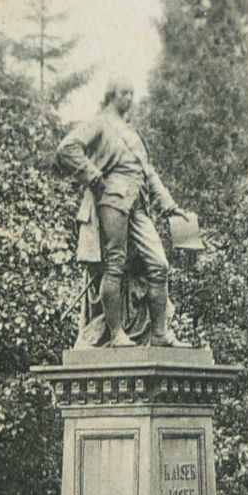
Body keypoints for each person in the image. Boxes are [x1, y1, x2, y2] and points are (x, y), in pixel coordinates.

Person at [56, 78, 192, 348]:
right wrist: (93, 176)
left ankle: (160, 334)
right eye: (124, 93)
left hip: (138, 204)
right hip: (112, 199)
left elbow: (148, 172)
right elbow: (67, 148)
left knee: (159, 265)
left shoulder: (132, 133)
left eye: (132, 92)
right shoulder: (99, 123)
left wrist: (168, 204)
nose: (129, 98)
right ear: (111, 95)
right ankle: (117, 334)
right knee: (114, 264)